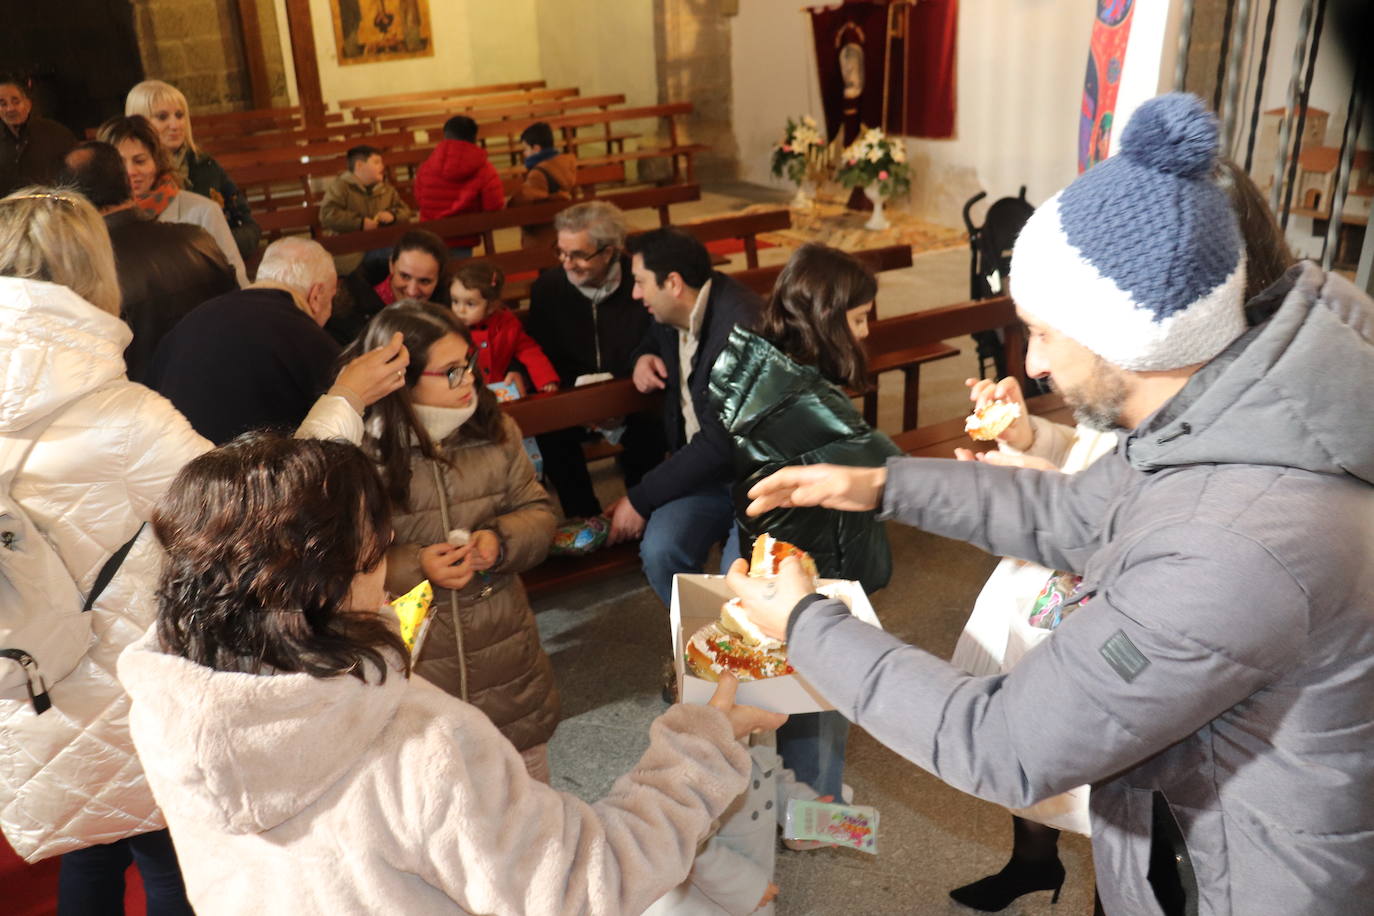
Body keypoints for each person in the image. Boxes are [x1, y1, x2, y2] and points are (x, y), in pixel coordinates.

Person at [728, 94, 1374, 915]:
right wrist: (881, 485)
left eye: (1044, 332)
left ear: (1126, 343)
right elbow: (1070, 513)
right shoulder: (1218, 410)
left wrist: (804, 623)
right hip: (1190, 818)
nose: (1031, 364)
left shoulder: (1232, 543)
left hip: (1253, 881)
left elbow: (1001, 742)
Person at [116, 432, 785, 914]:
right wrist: (704, 742)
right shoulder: (418, 741)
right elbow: (584, 885)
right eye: (376, 555)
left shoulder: (172, 703)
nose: (383, 585)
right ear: (327, 581)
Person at [0, 186, 407, 913]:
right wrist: (341, 401)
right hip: (126, 693)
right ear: (95, 275)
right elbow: (260, 508)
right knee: (173, 872)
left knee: (88, 864)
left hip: (29, 682)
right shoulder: (120, 416)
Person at [944, 155, 1300, 914]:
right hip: (1088, 597)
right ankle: (1036, 860)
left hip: (1151, 654)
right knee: (1042, 736)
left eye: (1051, 332)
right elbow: (1097, 460)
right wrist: (1033, 441)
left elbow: (1158, 541)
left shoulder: (1241, 434)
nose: (1036, 361)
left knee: (1128, 810)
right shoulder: (1168, 377)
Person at [707, 243, 902, 806]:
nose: (865, 333)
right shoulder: (799, 397)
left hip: (780, 547)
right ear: (827, 317)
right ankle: (815, 807)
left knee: (776, 682)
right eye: (859, 319)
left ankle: (782, 795)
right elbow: (889, 469)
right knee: (819, 686)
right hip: (810, 560)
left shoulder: (770, 369)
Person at [341, 301, 561, 779]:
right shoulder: (362, 451)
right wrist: (418, 565)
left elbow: (540, 513)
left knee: (530, 796)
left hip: (504, 655)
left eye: (471, 366)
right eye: (452, 372)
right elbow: (345, 561)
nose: (471, 383)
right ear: (403, 378)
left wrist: (498, 543)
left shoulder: (495, 428)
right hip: (419, 665)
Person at [610, 227, 764, 605]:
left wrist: (641, 498)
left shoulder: (740, 329)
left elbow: (721, 443)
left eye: (640, 282)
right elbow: (652, 335)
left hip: (758, 481)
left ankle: (736, 647)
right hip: (704, 474)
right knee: (662, 551)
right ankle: (703, 641)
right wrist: (642, 357)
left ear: (673, 284)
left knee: (739, 581)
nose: (635, 293)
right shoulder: (676, 311)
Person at [525, 201, 665, 520]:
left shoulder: (640, 281)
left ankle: (642, 513)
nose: (566, 263)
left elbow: (657, 339)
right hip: (572, 399)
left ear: (609, 251)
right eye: (561, 252)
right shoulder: (548, 289)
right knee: (550, 430)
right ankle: (584, 520)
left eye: (578, 255)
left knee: (652, 427)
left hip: (633, 395)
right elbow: (540, 352)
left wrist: (620, 397)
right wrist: (579, 404)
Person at [61, 140, 237, 383]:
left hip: (147, 409)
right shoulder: (198, 239)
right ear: (127, 184)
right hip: (225, 387)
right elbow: (238, 316)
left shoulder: (85, 275)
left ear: (74, 205)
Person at [148, 236, 347, 444]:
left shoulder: (194, 318)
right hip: (243, 469)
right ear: (316, 295)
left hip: (170, 463)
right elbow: (346, 410)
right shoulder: (303, 333)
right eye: (331, 298)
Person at [96, 114, 248, 286]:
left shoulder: (203, 212)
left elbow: (238, 281)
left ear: (157, 162)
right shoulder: (96, 220)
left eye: (140, 161)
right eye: (119, 163)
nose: (130, 171)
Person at [124, 79, 261, 261]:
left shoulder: (205, 164)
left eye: (179, 115)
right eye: (162, 117)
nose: (175, 125)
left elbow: (248, 225)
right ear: (138, 122)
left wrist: (217, 246)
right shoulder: (127, 176)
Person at [451, 260, 559, 395]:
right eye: (455, 301)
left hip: (501, 390)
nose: (459, 310)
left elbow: (529, 350)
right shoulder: (451, 328)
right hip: (464, 393)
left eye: (470, 304)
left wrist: (545, 379)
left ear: (491, 306)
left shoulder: (507, 324)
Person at [330, 228, 449, 347]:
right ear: (391, 266)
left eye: (424, 281)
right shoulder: (351, 307)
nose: (412, 291)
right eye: (405, 276)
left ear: (438, 279)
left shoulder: (449, 308)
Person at [413, 114, 504, 257]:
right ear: (474, 137)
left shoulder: (426, 167)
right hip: (464, 234)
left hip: (432, 235)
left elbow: (420, 199)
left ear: (445, 136)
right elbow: (494, 205)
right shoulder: (485, 168)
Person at [320, 144, 415, 275]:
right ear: (359, 165)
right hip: (352, 252)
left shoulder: (386, 189)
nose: (382, 167)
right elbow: (327, 215)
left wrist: (393, 216)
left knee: (407, 252)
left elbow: (405, 211)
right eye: (376, 162)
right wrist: (360, 223)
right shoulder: (341, 187)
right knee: (397, 257)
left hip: (380, 244)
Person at [0, 73, 75, 195]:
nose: (10, 109)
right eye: (2, 104)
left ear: (28, 104)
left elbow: (74, 173)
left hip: (51, 205)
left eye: (16, 101)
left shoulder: (56, 133)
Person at [508, 121, 576, 247]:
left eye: (526, 149)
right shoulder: (563, 164)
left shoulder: (538, 173)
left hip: (543, 234)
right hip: (563, 228)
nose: (524, 153)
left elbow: (525, 201)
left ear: (536, 149)